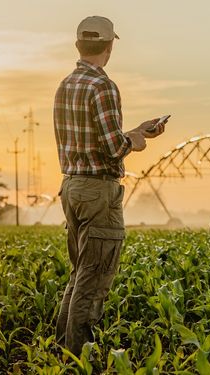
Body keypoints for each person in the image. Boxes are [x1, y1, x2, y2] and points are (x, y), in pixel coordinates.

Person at [53, 15, 166, 356]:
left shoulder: (66, 85)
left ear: (78, 45)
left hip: (72, 187)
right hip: (98, 191)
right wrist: (135, 140)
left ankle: (62, 354)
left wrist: (131, 131)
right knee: (94, 279)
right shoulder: (103, 86)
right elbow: (113, 148)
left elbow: (91, 140)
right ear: (109, 45)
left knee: (79, 275)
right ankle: (80, 359)